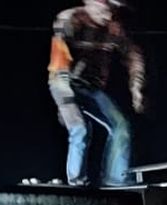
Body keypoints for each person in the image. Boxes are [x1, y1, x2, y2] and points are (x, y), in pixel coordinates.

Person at [48, 0, 146, 187]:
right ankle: (77, 181)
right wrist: (67, 103)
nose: (108, 16)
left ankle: (116, 178)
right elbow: (60, 61)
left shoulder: (113, 29)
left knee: (121, 127)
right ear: (91, 5)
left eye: (112, 11)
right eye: (104, 10)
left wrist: (136, 89)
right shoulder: (71, 20)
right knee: (80, 128)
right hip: (63, 82)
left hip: (91, 88)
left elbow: (134, 57)